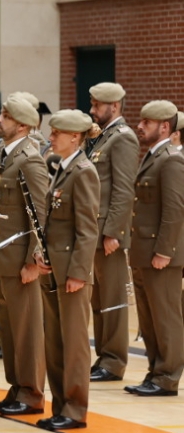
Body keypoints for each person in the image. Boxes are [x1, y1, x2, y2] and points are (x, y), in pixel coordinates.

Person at [29, 110, 101, 430]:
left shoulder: (83, 172)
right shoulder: (62, 168)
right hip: (53, 268)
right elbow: (51, 222)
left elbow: (87, 229)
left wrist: (79, 273)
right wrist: (39, 252)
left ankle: (74, 410)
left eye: (57, 133)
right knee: (55, 342)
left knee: (73, 344)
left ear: (75, 137)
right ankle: (60, 406)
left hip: (71, 272)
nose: (50, 137)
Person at [0, 92, 50, 416]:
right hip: (1, 257)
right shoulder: (5, 155)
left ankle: (32, 394)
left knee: (27, 332)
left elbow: (40, 215)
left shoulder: (30, 160)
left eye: (6, 117)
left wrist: (33, 262)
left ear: (22, 125)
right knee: (9, 332)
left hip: (19, 261)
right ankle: (16, 387)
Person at [124, 100, 184, 398]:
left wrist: (165, 251)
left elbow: (174, 210)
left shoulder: (171, 160)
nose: (139, 126)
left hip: (160, 256)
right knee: (148, 320)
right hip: (143, 253)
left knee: (165, 318)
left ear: (164, 127)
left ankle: (167, 377)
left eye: (146, 122)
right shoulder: (152, 157)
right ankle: (155, 372)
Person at [86, 82, 139, 383]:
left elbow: (123, 189)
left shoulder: (123, 138)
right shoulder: (104, 137)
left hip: (108, 234)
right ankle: (104, 356)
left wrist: (114, 232)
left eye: (97, 106)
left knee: (114, 299)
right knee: (99, 300)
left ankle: (115, 361)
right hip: (96, 231)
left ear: (114, 106)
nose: (92, 110)